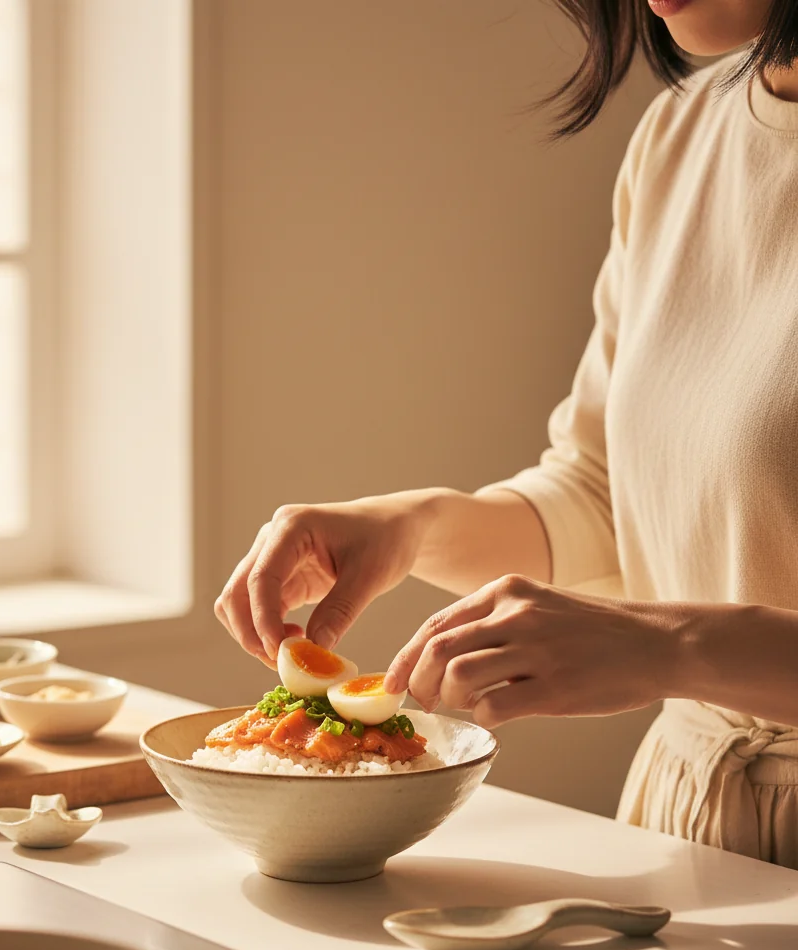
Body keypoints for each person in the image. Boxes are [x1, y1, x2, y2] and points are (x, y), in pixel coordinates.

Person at [214, 0, 798, 869]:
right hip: (690, 822)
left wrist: (670, 647)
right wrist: (412, 527)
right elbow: (605, 493)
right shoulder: (682, 135)